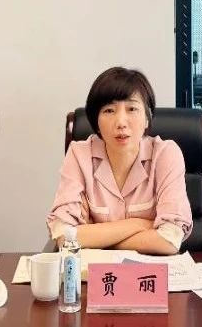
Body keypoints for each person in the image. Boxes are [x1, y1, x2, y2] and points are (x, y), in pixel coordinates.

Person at [47, 67, 192, 254]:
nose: (121, 122)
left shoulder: (165, 154)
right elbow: (63, 234)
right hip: (93, 270)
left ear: (147, 118)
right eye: (109, 110)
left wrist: (93, 237)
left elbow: (169, 240)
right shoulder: (79, 154)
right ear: (96, 121)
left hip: (152, 269)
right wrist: (139, 224)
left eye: (132, 109)